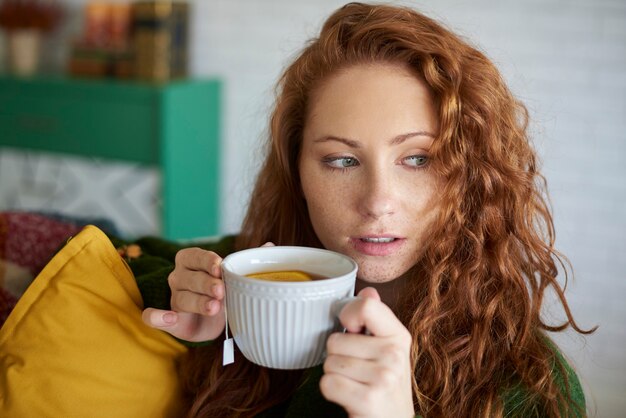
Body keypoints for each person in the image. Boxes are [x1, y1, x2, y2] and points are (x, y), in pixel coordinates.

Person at [140, 2, 593, 417]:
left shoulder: (531, 386)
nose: (378, 202)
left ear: (469, 173)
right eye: (342, 161)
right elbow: (124, 256)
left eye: (418, 159)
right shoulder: (249, 274)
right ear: (296, 170)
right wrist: (213, 327)